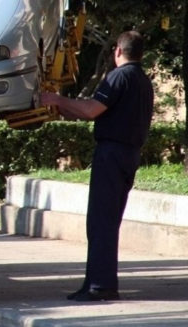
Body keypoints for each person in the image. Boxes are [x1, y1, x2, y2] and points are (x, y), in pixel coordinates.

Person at [41, 30, 154, 302]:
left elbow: (91, 110)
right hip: (129, 153)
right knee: (105, 221)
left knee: (101, 222)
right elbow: (89, 113)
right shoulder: (142, 80)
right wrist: (63, 108)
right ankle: (93, 281)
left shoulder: (119, 76)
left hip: (112, 154)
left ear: (117, 50)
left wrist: (56, 100)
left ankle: (100, 286)